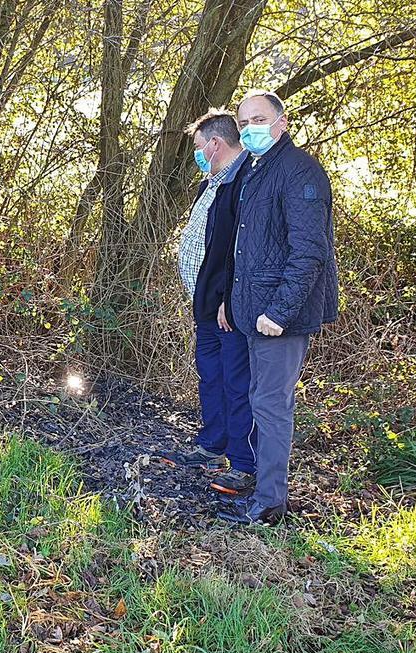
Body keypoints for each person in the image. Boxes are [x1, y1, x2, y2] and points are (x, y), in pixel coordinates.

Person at [217, 90, 339, 525]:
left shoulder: (299, 172)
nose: (251, 128)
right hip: (253, 311)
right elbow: (248, 248)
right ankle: (259, 487)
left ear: (282, 123)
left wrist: (279, 313)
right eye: (244, 121)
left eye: (259, 119)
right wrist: (232, 302)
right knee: (258, 399)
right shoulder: (257, 168)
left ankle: (269, 505)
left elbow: (309, 252)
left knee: (270, 405)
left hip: (278, 318)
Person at [161, 109, 257, 497]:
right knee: (212, 377)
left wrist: (228, 301)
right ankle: (212, 446)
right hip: (206, 304)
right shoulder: (212, 183)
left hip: (228, 307)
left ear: (215, 144)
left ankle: (245, 464)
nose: (198, 154)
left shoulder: (245, 183)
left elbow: (242, 250)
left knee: (237, 383)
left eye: (200, 147)